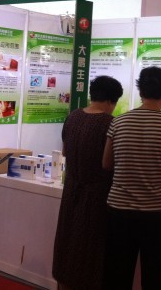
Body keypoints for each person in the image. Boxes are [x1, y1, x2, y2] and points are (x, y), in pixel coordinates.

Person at [102, 66, 161, 289]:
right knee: (156, 277)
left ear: (140, 91)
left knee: (117, 275)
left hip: (120, 211)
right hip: (158, 214)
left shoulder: (118, 122)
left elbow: (106, 164)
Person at [52, 75, 124, 290]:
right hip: (97, 195)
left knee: (67, 242)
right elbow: (110, 163)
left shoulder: (73, 117)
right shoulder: (110, 123)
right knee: (90, 250)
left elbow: (65, 151)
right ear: (111, 101)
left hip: (71, 190)